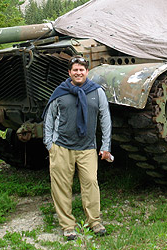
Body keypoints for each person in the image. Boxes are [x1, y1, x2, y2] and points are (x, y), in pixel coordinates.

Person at [43, 55, 112, 240]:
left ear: (87, 72)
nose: (78, 72)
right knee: (61, 187)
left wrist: (106, 145)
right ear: (70, 73)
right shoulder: (60, 92)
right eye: (75, 70)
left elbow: (105, 119)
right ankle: (67, 225)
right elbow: (49, 117)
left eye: (82, 69)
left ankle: (94, 221)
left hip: (87, 147)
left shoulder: (97, 92)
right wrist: (49, 144)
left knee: (90, 183)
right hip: (61, 147)